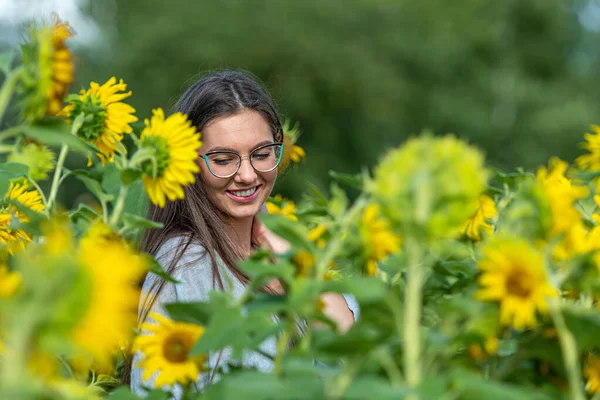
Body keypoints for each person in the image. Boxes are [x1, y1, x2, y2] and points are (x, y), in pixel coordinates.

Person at [130, 71, 359, 396]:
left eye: (262, 154)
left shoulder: (280, 247)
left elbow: (350, 367)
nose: (248, 174)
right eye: (223, 160)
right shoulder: (183, 268)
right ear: (188, 162)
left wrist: (301, 274)